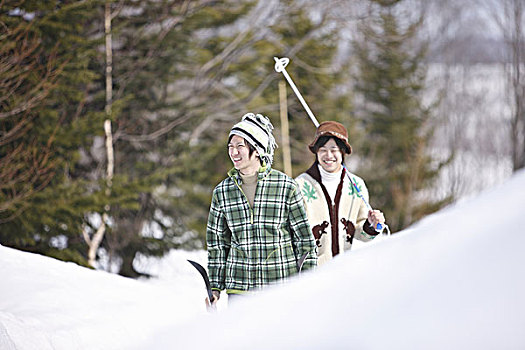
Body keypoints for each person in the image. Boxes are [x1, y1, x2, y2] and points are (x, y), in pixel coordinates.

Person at [206, 112, 317, 306]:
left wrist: (309, 282)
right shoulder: (222, 192)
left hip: (280, 285)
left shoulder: (286, 186)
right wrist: (214, 287)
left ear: (256, 149)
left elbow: (305, 240)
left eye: (240, 146)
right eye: (230, 147)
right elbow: (217, 243)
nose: (233, 152)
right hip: (239, 288)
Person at [295, 121, 386, 266]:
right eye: (323, 149)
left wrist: (372, 225)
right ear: (316, 152)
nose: (328, 155)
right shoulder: (300, 185)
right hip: (311, 273)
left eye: (334, 149)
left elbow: (361, 232)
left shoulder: (357, 186)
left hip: (344, 271)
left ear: (342, 152)